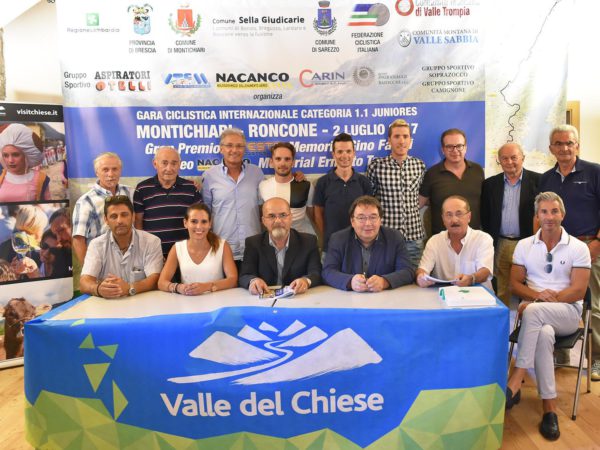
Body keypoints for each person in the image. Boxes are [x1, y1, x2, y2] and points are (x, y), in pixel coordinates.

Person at [505, 192, 590, 441]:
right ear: (537, 216)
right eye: (544, 211)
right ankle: (549, 408)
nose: (549, 217)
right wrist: (535, 297)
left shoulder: (578, 247)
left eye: (554, 211)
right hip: (537, 316)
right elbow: (514, 284)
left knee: (533, 311)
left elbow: (578, 290)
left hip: (567, 312)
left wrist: (536, 302)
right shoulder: (524, 245)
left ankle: (517, 376)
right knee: (543, 333)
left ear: (562, 214)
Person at [539, 124, 600, 377]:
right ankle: (560, 353)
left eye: (569, 143)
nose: (564, 148)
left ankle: (596, 359)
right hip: (557, 250)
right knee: (556, 300)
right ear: (551, 148)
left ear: (577, 145)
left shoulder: (595, 172)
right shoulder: (546, 179)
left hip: (589, 247)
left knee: (593, 306)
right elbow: (541, 215)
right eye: (559, 143)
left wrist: (597, 243)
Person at [481, 143, 540, 305]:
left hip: (527, 243)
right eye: (504, 158)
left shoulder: (539, 181)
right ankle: (504, 317)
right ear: (499, 161)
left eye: (514, 157)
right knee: (502, 287)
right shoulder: (489, 184)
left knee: (529, 286)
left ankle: (526, 318)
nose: (509, 162)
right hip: (501, 242)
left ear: (523, 158)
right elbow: (485, 216)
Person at [322, 195, 414, 291]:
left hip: (384, 297)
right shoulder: (338, 239)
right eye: (361, 218)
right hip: (348, 298)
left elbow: (407, 271)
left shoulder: (394, 237)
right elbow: (327, 272)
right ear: (352, 221)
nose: (368, 223)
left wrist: (384, 281)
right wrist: (350, 281)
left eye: (373, 217)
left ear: (380, 220)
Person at [367, 119, 426, 268]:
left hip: (414, 237)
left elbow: (422, 196)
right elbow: (370, 200)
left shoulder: (419, 165)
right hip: (385, 237)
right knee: (385, 277)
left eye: (405, 136)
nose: (401, 141)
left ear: (410, 140)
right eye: (397, 136)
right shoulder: (377, 166)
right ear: (389, 140)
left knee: (414, 278)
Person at [202, 128, 264, 268]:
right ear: (221, 149)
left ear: (244, 149)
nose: (234, 150)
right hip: (222, 247)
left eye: (239, 146)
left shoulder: (256, 173)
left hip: (253, 247)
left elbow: (263, 208)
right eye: (229, 145)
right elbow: (206, 212)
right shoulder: (209, 176)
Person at [80, 195, 163, 298]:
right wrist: (98, 289)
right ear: (106, 220)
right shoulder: (96, 245)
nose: (119, 221)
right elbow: (84, 282)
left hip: (143, 303)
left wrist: (130, 288)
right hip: (109, 304)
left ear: (133, 217)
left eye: (124, 215)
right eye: (113, 216)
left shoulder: (151, 241)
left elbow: (155, 279)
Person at [239, 197, 321, 295]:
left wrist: (305, 281)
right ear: (264, 221)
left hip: (297, 297)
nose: (278, 221)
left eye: (283, 215)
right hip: (264, 299)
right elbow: (245, 275)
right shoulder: (253, 243)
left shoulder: (308, 241)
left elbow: (316, 272)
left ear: (291, 218)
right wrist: (253, 281)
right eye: (271, 216)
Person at [134, 146, 202, 257]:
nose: (169, 168)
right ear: (155, 164)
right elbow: (138, 222)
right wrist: (143, 251)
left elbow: (199, 222)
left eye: (174, 163)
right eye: (164, 163)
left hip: (185, 254)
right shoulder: (142, 189)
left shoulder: (191, 188)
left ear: (180, 164)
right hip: (153, 255)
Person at [416, 196, 494, 290]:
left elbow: (485, 271)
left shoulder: (483, 239)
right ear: (443, 219)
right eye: (449, 215)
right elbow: (423, 269)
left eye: (459, 214)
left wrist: (471, 278)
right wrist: (420, 277)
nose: (454, 220)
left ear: (469, 217)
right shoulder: (434, 241)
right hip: (445, 295)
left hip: (479, 295)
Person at [158, 204, 237, 295]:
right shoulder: (177, 248)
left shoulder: (223, 245)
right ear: (185, 223)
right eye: (194, 221)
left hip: (218, 302)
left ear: (210, 224)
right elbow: (161, 282)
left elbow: (233, 280)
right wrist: (178, 287)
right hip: (188, 302)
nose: (199, 226)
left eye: (204, 222)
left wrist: (207, 286)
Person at [314, 133, 373, 254]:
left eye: (348, 151)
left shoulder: (364, 182)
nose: (344, 155)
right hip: (331, 248)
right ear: (333, 154)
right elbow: (318, 213)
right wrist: (327, 236)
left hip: (360, 248)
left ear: (354, 153)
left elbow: (370, 214)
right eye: (340, 152)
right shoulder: (322, 183)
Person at [419, 128, 485, 235]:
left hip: (473, 238)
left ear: (465, 148)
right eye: (449, 146)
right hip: (442, 239)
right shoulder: (432, 174)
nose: (455, 150)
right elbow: (419, 203)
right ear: (443, 150)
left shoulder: (478, 170)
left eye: (459, 146)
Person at [72, 152, 133, 264]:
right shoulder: (86, 201)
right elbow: (78, 240)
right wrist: (89, 270)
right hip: (102, 263)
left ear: (120, 170)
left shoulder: (131, 193)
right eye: (105, 170)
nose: (111, 174)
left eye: (115, 169)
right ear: (97, 172)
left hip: (131, 260)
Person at [259, 142, 316, 235]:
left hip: (300, 237)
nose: (283, 163)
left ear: (293, 162)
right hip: (273, 239)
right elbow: (262, 215)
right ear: (271, 162)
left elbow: (312, 215)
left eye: (287, 159)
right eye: (278, 159)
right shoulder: (263, 186)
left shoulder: (307, 186)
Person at [0, 123, 51, 202]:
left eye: (16, 155)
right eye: (6, 155)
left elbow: (48, 203)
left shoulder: (41, 179)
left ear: (26, 156)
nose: (10, 160)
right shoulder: (1, 176)